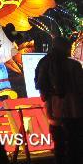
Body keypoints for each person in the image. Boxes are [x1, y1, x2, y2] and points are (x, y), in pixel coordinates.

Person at [34, 36, 83, 164]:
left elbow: (41, 87)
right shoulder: (74, 65)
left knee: (59, 147)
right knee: (75, 146)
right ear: (66, 48)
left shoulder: (43, 63)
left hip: (54, 111)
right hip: (75, 111)